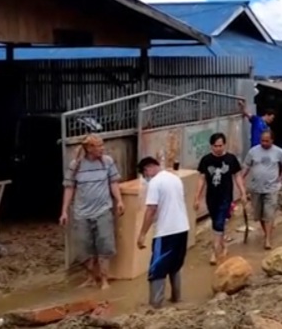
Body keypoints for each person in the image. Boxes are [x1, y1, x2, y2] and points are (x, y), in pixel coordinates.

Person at [59, 134, 124, 290]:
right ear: (89, 148)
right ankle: (91, 278)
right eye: (98, 146)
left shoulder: (107, 162)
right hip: (81, 213)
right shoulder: (76, 165)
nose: (102, 148)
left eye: (102, 145)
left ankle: (104, 280)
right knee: (84, 249)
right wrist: (64, 211)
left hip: (103, 211)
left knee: (104, 247)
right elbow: (69, 188)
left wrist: (119, 200)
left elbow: (113, 183)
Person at [136, 157, 190, 309]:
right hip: (182, 228)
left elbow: (151, 209)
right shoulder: (175, 179)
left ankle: (155, 304)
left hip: (166, 231)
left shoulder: (155, 182)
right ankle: (177, 299)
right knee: (175, 265)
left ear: (148, 168)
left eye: (145, 173)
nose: (146, 177)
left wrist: (142, 234)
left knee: (157, 268)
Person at [195, 132, 245, 265]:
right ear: (211, 146)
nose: (218, 148)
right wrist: (197, 197)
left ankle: (214, 251)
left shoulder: (231, 159)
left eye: (221, 145)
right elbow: (201, 179)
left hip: (225, 197)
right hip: (211, 197)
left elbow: (238, 176)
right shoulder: (206, 160)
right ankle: (223, 245)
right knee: (216, 223)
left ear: (224, 144)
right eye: (216, 146)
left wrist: (243, 192)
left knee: (219, 222)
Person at [243, 131, 282, 250]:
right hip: (255, 188)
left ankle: (268, 239)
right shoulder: (253, 151)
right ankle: (266, 233)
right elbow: (246, 166)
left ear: (272, 141)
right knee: (259, 215)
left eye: (267, 141)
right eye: (262, 141)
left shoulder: (278, 151)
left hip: (271, 188)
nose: (264, 143)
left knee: (269, 214)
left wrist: (280, 177)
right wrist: (240, 180)